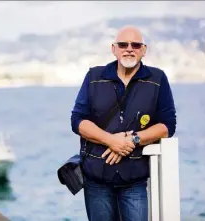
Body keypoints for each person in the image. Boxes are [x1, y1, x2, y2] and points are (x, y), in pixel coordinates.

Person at [71, 25, 177, 221]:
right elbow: (77, 121)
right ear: (114, 49)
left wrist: (133, 139)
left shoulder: (158, 79)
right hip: (96, 178)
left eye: (136, 45)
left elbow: (167, 126)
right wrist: (111, 141)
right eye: (123, 44)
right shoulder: (94, 77)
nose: (129, 48)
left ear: (143, 50)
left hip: (133, 179)